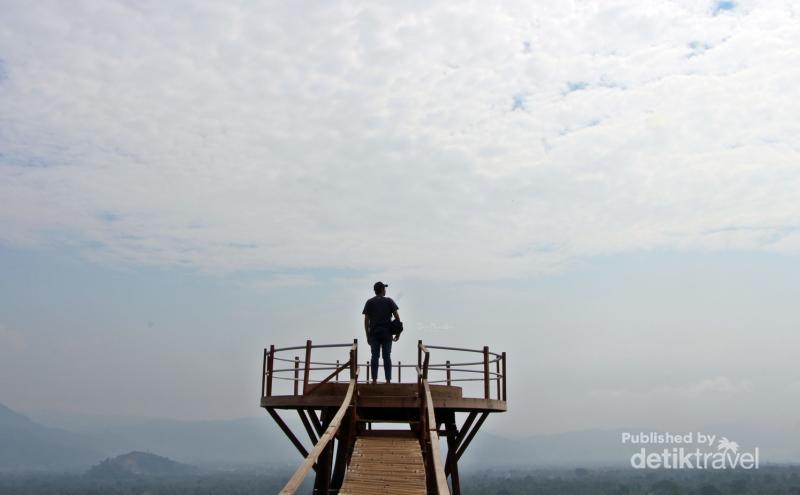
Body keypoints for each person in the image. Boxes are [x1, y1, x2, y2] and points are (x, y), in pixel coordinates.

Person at [362, 281, 401, 384]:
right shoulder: (389, 301)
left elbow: (366, 321)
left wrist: (367, 336)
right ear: (382, 290)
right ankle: (388, 381)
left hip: (374, 334)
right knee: (386, 356)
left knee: (375, 356)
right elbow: (397, 318)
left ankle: (374, 380)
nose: (385, 290)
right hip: (387, 334)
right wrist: (398, 333)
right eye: (384, 288)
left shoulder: (369, 302)